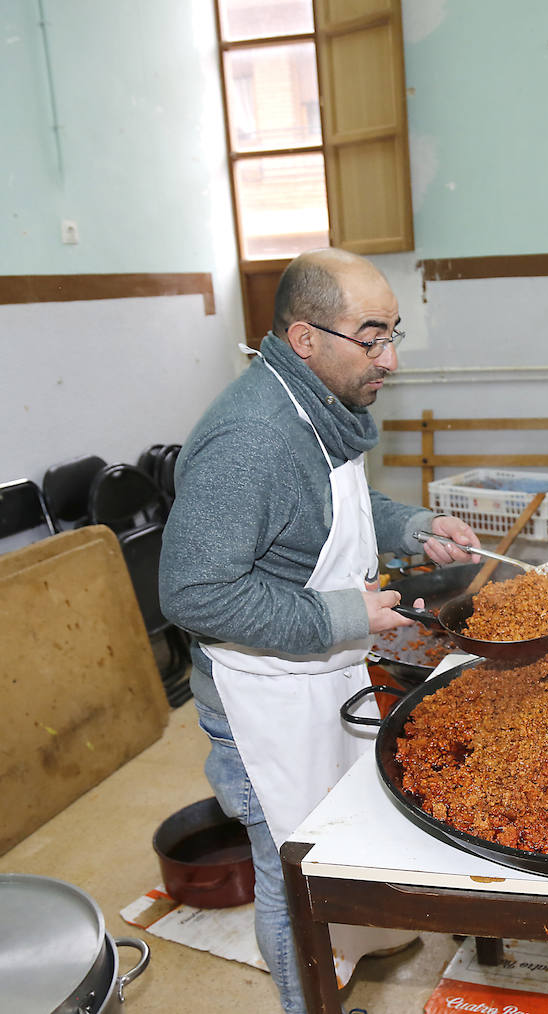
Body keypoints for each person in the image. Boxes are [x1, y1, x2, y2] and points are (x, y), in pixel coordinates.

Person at [160, 248, 480, 1013]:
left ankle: (358, 938)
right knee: (291, 869)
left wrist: (417, 526)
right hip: (260, 697)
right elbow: (193, 592)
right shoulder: (254, 439)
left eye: (393, 333)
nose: (391, 358)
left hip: (318, 672)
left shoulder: (316, 405)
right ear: (305, 338)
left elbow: (339, 513)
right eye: (372, 338)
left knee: (342, 824)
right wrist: (345, 615)